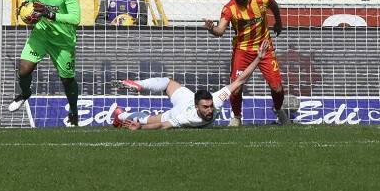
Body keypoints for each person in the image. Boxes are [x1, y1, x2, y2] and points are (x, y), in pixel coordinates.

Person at [111, 40, 271, 130]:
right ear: (197, 107)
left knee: (167, 83)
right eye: (206, 108)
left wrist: (258, 58)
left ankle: (127, 103)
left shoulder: (217, 99)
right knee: (148, 120)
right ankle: (121, 114)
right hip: (180, 108)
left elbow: (240, 80)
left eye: (210, 106)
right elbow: (162, 126)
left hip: (188, 97)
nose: (210, 110)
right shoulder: (188, 118)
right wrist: (141, 129)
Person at [203, 0, 287, 127]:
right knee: (235, 87)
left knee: (277, 86)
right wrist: (211, 29)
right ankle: (236, 117)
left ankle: (278, 109)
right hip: (242, 50)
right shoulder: (230, 8)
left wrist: (278, 22)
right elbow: (220, 30)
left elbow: (274, 5)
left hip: (265, 48)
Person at [8, 0, 82, 126]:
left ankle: (73, 110)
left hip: (63, 39)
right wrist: (26, 12)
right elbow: (29, 3)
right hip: (41, 34)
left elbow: (75, 18)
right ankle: (25, 93)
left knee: (67, 80)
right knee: (24, 69)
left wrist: (49, 13)